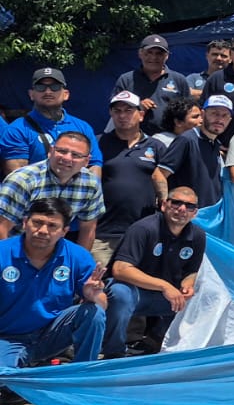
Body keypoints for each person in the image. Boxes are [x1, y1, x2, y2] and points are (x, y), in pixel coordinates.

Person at [0, 198, 106, 373]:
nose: (43, 231)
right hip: (8, 338)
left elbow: (102, 304)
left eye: (52, 226)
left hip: (52, 335)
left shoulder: (77, 255)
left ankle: (83, 374)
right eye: (37, 223)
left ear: (64, 231)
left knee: (94, 312)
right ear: (25, 223)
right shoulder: (3, 252)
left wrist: (93, 295)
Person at [103, 187, 206, 358]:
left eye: (189, 206)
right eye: (176, 203)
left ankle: (160, 344)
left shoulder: (198, 236)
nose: (182, 209)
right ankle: (113, 352)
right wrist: (164, 286)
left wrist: (187, 287)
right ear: (164, 205)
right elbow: (120, 269)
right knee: (119, 293)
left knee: (202, 297)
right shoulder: (143, 228)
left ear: (194, 213)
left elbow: (191, 271)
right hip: (134, 292)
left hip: (164, 297)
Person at [0, 131, 104, 248]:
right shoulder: (23, 180)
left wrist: (82, 263)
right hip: (16, 249)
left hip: (54, 250)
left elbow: (88, 230)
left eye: (76, 155)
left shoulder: (91, 184)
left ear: (86, 161)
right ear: (51, 151)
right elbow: (2, 228)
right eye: (62, 151)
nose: (67, 158)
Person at [95, 92, 159, 264]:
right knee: (98, 286)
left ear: (141, 115)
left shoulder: (156, 146)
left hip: (144, 233)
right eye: (117, 111)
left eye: (129, 110)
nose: (122, 115)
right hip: (103, 234)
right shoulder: (97, 143)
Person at [2, 68, 104, 175]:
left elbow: (94, 166)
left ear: (66, 94)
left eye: (55, 87)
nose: (48, 91)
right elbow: (18, 176)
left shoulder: (83, 127)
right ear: (31, 94)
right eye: (40, 87)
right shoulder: (17, 129)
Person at [155, 96, 232, 208]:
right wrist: (165, 203)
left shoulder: (215, 144)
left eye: (225, 115)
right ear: (203, 114)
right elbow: (159, 174)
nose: (219, 120)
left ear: (229, 120)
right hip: (186, 214)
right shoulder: (187, 140)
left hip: (210, 215)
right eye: (214, 113)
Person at [111, 34, 188, 135]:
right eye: (149, 53)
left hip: (170, 141)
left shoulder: (179, 80)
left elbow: (188, 112)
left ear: (167, 56)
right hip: (134, 140)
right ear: (140, 53)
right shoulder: (126, 79)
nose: (153, 57)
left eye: (159, 53)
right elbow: (115, 109)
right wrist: (138, 106)